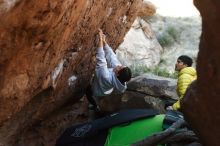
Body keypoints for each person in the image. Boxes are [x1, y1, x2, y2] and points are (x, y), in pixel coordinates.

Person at [86, 29, 132, 111]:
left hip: (98, 90)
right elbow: (111, 56)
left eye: (119, 68)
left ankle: (95, 106)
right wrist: (104, 42)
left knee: (88, 91)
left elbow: (101, 58)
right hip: (106, 90)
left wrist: (100, 39)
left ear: (117, 74)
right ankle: (96, 104)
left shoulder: (105, 76)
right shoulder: (120, 74)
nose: (118, 66)